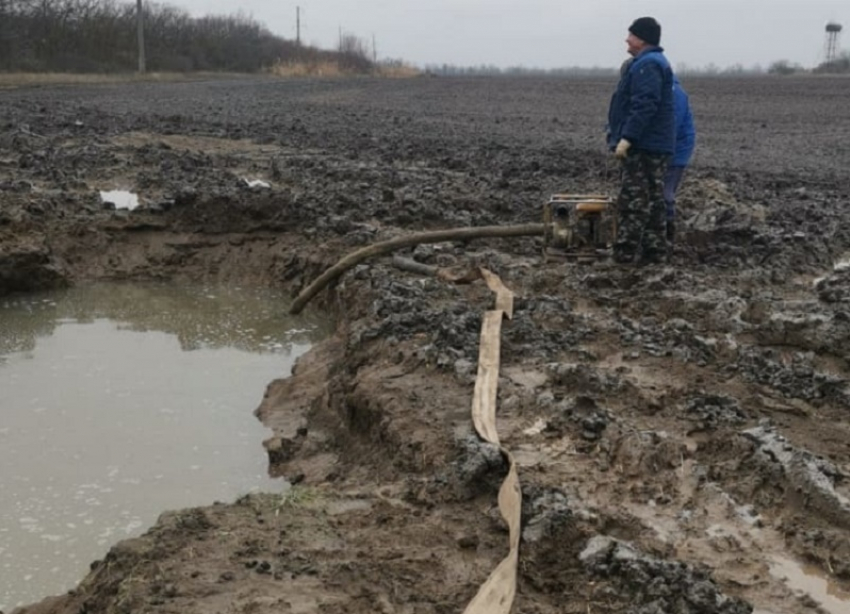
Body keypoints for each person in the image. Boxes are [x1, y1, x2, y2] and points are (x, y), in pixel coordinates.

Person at [606, 17, 675, 264]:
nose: (627, 39)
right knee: (654, 199)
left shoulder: (648, 65)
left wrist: (627, 138)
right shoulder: (649, 63)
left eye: (631, 35)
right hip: (654, 144)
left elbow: (644, 105)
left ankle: (624, 256)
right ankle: (654, 254)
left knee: (634, 200)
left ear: (642, 38)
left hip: (645, 146)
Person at [664, 76, 696, 243]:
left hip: (676, 149)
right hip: (663, 146)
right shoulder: (658, 89)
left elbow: (672, 124)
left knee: (665, 193)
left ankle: (668, 235)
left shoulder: (675, 93)